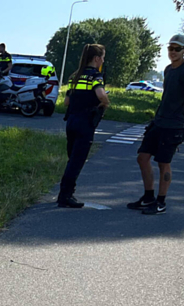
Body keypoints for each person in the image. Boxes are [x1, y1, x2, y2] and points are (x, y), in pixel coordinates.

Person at [128, 34, 184, 214]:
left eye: (177, 49)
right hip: (158, 122)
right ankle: (148, 196)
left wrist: (181, 118)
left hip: (173, 125)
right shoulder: (168, 70)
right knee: (142, 157)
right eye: (171, 48)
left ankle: (161, 202)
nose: (173, 52)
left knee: (163, 163)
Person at [56, 44, 110, 208]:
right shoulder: (96, 76)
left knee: (72, 158)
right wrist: (106, 103)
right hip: (85, 123)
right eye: (102, 58)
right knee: (77, 161)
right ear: (96, 58)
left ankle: (63, 193)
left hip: (71, 121)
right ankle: (66, 196)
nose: (102, 61)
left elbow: (66, 102)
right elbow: (100, 94)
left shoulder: (75, 76)